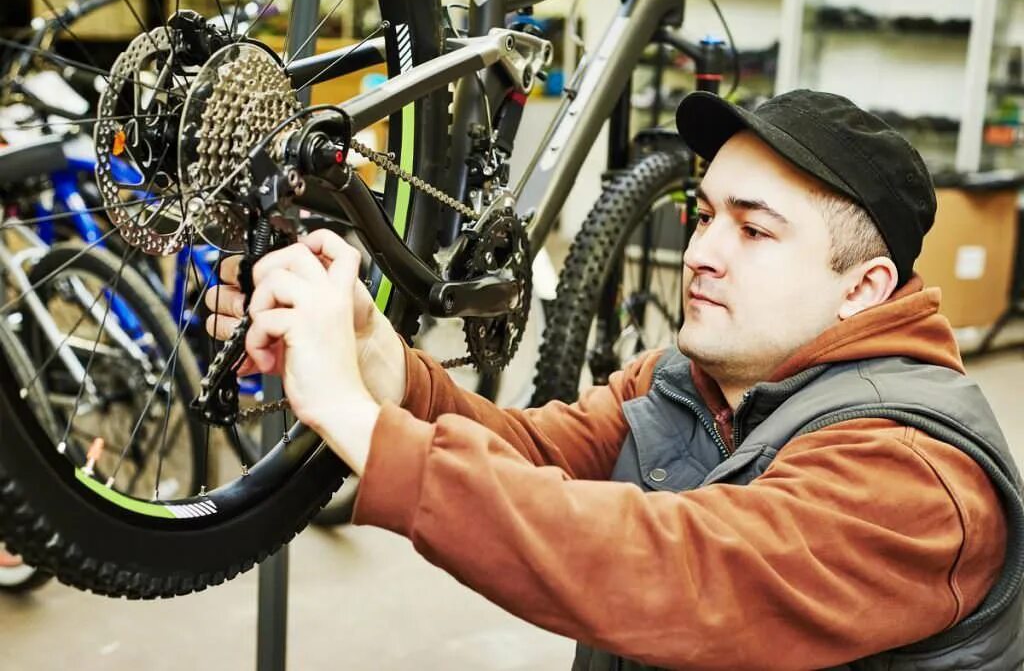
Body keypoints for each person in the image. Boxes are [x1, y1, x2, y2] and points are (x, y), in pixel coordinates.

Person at [206, 89, 1024, 670]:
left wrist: (355, 417)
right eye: (705, 216)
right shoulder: (694, 376)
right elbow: (537, 454)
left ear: (863, 289)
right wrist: (373, 349)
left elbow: (681, 574)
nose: (701, 252)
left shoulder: (917, 475)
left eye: (755, 230)